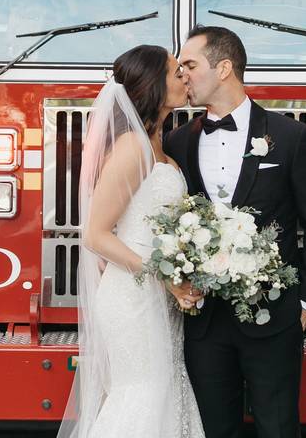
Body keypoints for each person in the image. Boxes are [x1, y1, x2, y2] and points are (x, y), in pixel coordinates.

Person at [164, 26, 306, 438]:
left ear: (224, 68)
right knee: (211, 430)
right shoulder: (175, 143)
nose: (183, 75)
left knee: (278, 428)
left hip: (275, 315)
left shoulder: (292, 137)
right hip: (202, 321)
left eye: (190, 64)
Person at [57, 45, 205, 438]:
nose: (186, 77)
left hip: (157, 294)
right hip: (133, 298)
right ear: (155, 85)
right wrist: (163, 275)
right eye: (177, 73)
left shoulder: (160, 145)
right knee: (142, 393)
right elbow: (94, 234)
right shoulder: (132, 148)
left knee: (164, 392)